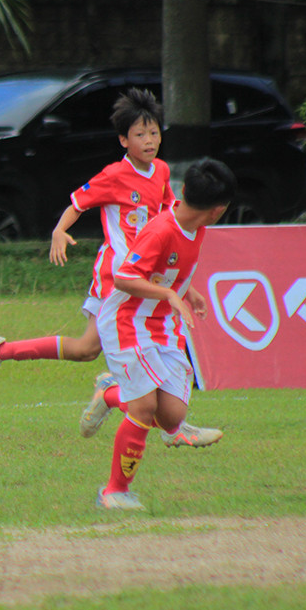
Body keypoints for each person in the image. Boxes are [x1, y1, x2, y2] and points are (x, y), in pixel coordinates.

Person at [0, 88, 221, 448]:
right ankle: (161, 419)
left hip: (144, 275)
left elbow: (169, 219)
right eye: (140, 134)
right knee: (94, 348)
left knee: (87, 348)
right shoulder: (115, 174)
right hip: (116, 275)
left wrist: (183, 285)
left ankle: (7, 352)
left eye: (154, 133)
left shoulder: (162, 171)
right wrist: (59, 230)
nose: (149, 141)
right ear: (123, 140)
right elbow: (78, 201)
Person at [91, 157, 235, 510]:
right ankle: (115, 492)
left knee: (171, 417)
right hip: (127, 321)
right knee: (143, 408)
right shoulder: (161, 230)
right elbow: (125, 277)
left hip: (161, 325)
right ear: (219, 210)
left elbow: (167, 270)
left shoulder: (195, 226)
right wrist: (170, 294)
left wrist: (186, 289)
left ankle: (110, 392)